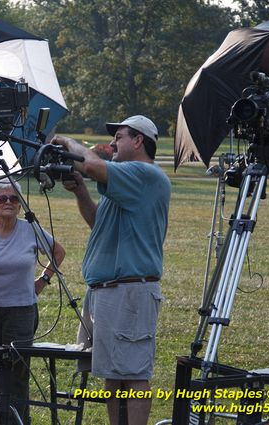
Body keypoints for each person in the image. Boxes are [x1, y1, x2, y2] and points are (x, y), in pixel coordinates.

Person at [51, 115, 170, 425]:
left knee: (133, 374)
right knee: (112, 374)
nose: (113, 143)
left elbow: (90, 165)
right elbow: (98, 223)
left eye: (119, 137)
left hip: (128, 291)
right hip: (108, 292)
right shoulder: (123, 184)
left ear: (138, 140)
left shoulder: (144, 174)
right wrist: (80, 192)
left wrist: (67, 142)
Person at [0, 179, 65, 424]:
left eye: (13, 199)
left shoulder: (30, 229)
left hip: (21, 312)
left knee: (18, 372)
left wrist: (42, 281)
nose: (8, 202)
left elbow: (58, 252)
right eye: (2, 199)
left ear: (20, 205)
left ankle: (18, 420)